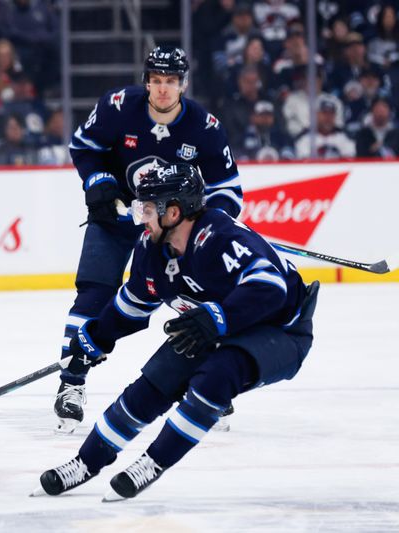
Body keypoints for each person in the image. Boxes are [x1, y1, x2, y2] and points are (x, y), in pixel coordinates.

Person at [34, 163, 318, 501]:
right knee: (156, 381)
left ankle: (153, 462)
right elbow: (131, 307)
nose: (141, 217)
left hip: (282, 330)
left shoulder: (219, 237)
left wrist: (217, 317)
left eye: (148, 209)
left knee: (218, 374)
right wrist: (94, 338)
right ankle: (85, 462)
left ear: (174, 211)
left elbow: (270, 287)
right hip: (220, 325)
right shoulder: (150, 249)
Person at [54, 45, 243, 434]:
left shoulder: (205, 128)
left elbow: (228, 188)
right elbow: (84, 146)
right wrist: (99, 181)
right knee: (93, 297)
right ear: (147, 82)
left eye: (170, 82)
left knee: (196, 302)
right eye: (156, 81)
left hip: (172, 231)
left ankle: (208, 385)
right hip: (117, 218)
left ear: (183, 84)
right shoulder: (118, 106)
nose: (162, 90)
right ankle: (71, 383)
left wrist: (208, 222)